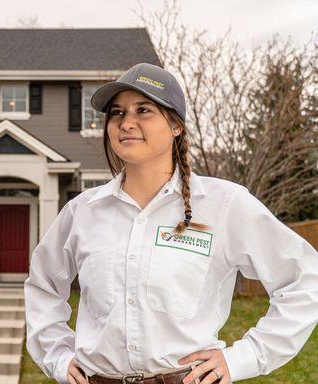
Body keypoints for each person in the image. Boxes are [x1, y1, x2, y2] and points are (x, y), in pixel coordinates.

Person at [23, 62, 318, 384]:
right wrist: (57, 356)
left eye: (143, 110)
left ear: (176, 125)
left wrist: (245, 357)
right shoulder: (81, 212)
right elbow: (43, 286)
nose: (127, 123)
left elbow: (304, 280)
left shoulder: (224, 205)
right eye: (117, 113)